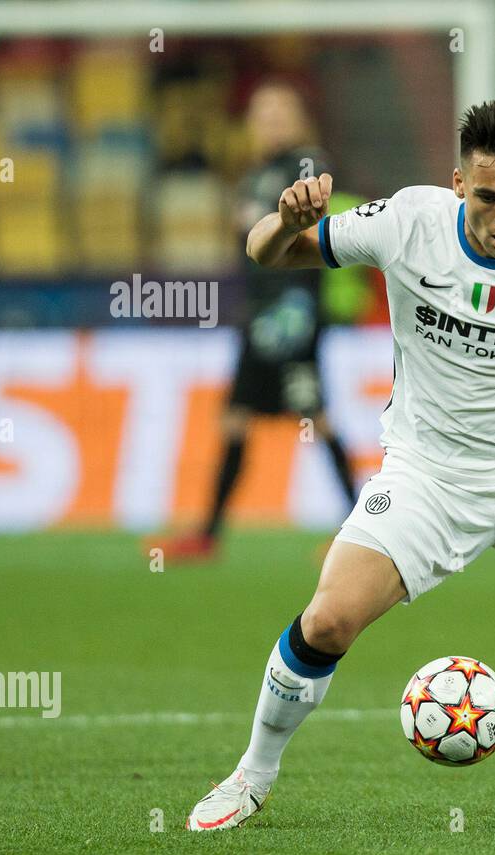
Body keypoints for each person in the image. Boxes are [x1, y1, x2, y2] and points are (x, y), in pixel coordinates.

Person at [187, 99, 495, 829]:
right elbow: (266, 252)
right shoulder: (408, 223)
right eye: (488, 197)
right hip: (425, 472)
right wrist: (287, 222)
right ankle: (251, 773)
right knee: (327, 621)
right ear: (459, 183)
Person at [163, 79, 357, 560]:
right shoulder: (257, 172)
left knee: (316, 418)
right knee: (242, 418)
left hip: (292, 318)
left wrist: (299, 308)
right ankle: (208, 533)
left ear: (298, 119)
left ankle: (358, 530)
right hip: (261, 317)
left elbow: (313, 229)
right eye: (262, 113)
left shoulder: (306, 164)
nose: (270, 122)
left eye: (279, 113)